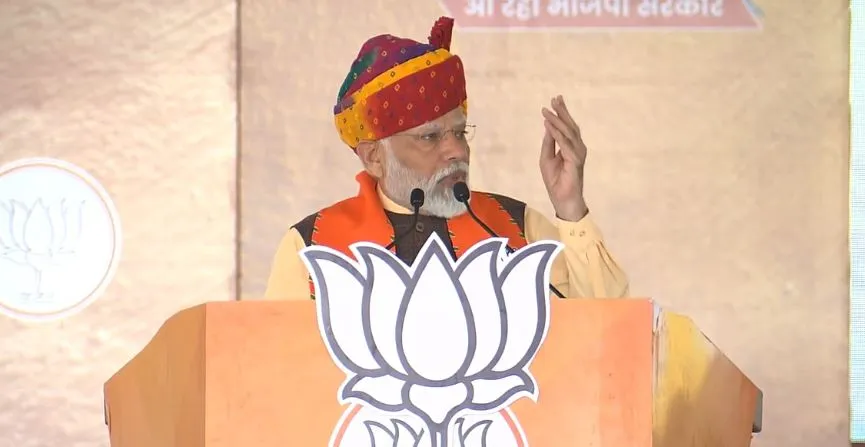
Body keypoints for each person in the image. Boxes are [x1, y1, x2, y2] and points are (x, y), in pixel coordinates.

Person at [264, 16, 629, 300]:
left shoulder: (516, 227)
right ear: (374, 157)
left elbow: (609, 331)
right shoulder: (311, 246)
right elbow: (278, 364)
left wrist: (571, 208)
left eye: (459, 132)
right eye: (430, 137)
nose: (457, 151)